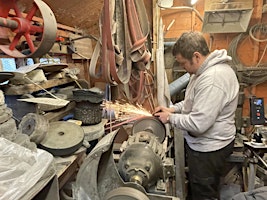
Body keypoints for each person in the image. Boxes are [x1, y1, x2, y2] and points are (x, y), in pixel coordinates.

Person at [154, 31, 239, 200]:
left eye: (183, 63)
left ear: (196, 56)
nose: (183, 67)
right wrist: (173, 109)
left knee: (204, 194)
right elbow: (190, 103)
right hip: (202, 145)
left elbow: (199, 123)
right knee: (197, 188)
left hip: (210, 149)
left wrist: (170, 119)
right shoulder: (199, 72)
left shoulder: (213, 79)